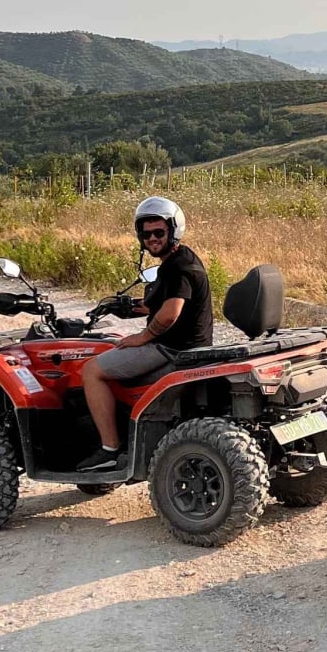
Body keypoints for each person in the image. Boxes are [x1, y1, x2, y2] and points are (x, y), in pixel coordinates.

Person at [76, 197, 213, 471]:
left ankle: (109, 450)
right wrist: (125, 307)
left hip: (171, 348)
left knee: (91, 370)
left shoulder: (177, 267)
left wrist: (143, 337)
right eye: (146, 233)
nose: (152, 238)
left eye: (159, 232)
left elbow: (170, 313)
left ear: (173, 230)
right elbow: (157, 305)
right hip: (188, 345)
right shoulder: (181, 259)